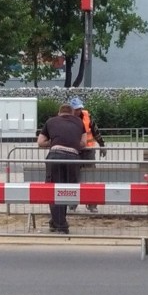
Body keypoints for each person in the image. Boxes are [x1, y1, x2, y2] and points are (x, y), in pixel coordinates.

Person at [37, 103, 86, 234]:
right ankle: (56, 221)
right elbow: (83, 143)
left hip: (55, 157)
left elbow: (40, 142)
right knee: (67, 190)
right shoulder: (80, 122)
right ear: (72, 113)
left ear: (59, 113)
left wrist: (53, 142)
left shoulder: (51, 121)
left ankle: (61, 224)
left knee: (53, 190)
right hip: (73, 158)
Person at [70, 97, 107, 212]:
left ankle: (92, 204)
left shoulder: (88, 118)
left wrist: (102, 145)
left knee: (90, 178)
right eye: (76, 109)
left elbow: (96, 132)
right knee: (74, 178)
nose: (78, 111)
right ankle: (72, 203)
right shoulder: (67, 119)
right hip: (74, 151)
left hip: (88, 151)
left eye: (79, 109)